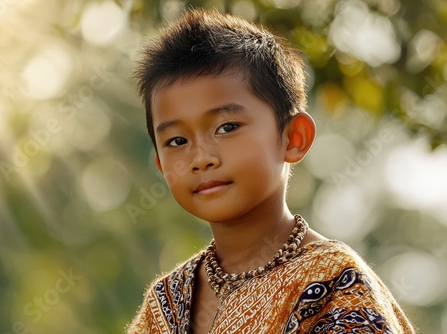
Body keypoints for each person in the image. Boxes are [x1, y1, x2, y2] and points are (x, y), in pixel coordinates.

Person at [127, 8, 415, 334]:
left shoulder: (334, 282)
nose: (200, 158)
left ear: (294, 138)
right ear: (162, 166)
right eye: (177, 140)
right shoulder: (164, 304)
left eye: (226, 127)